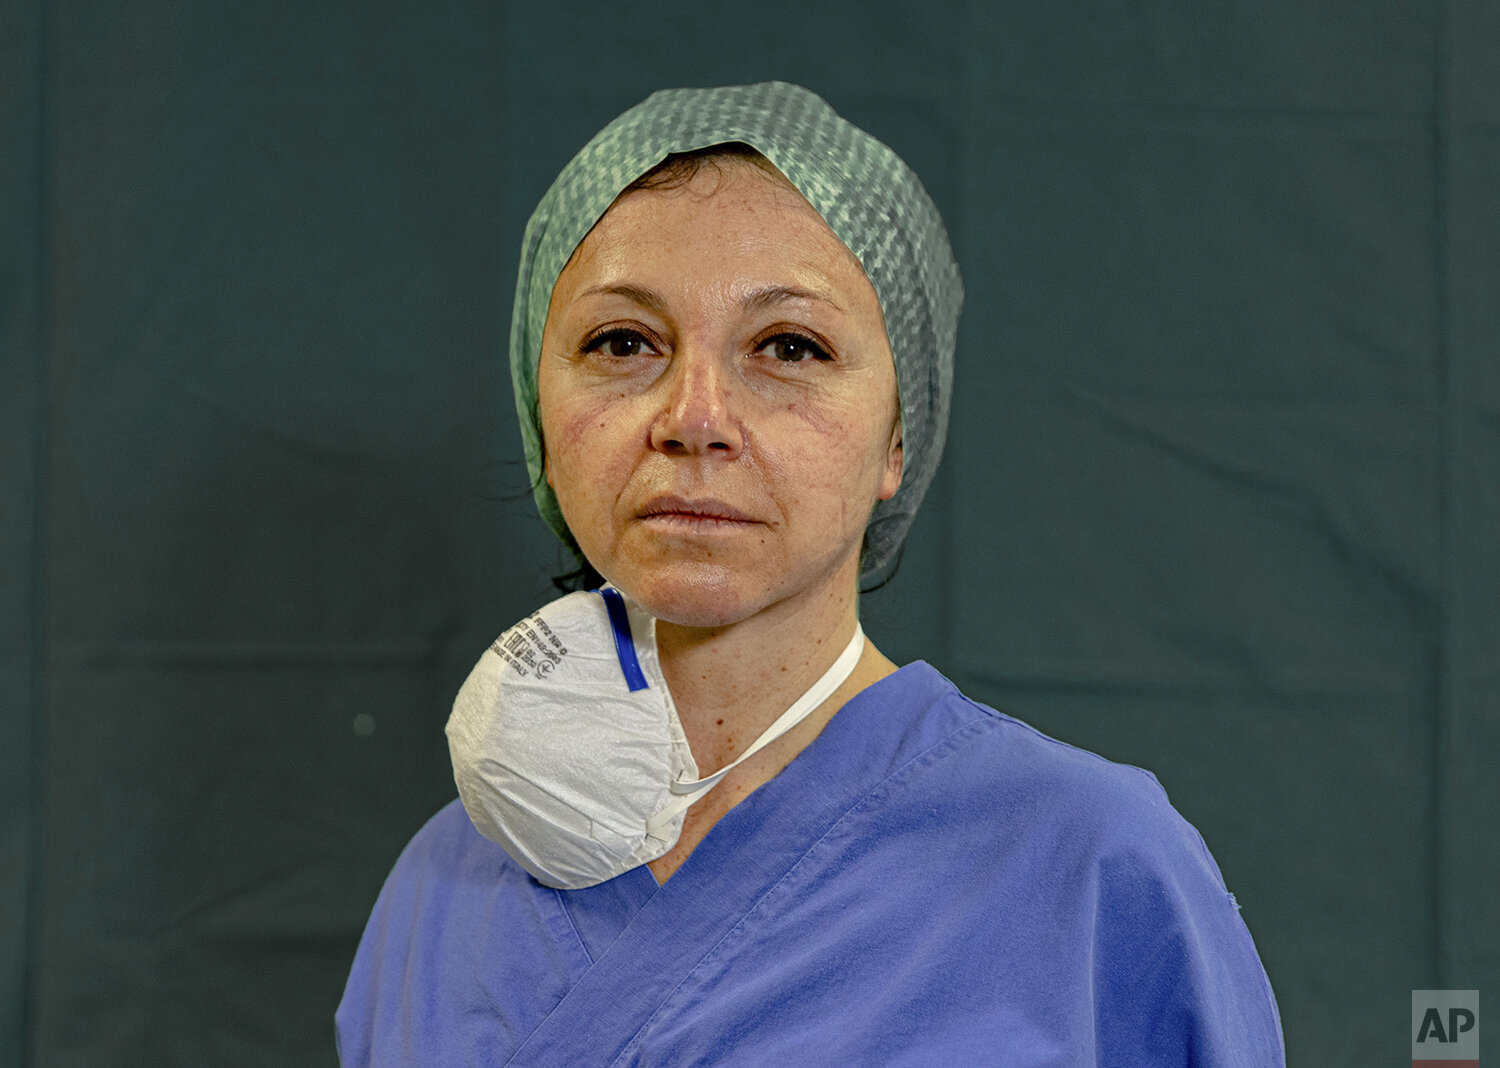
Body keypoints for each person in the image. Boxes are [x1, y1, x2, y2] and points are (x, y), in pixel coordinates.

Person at [336, 81, 1285, 1066]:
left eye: (789, 347)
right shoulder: (446, 888)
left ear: (897, 441)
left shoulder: (1086, 868)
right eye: (623, 343)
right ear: (541, 419)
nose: (694, 416)